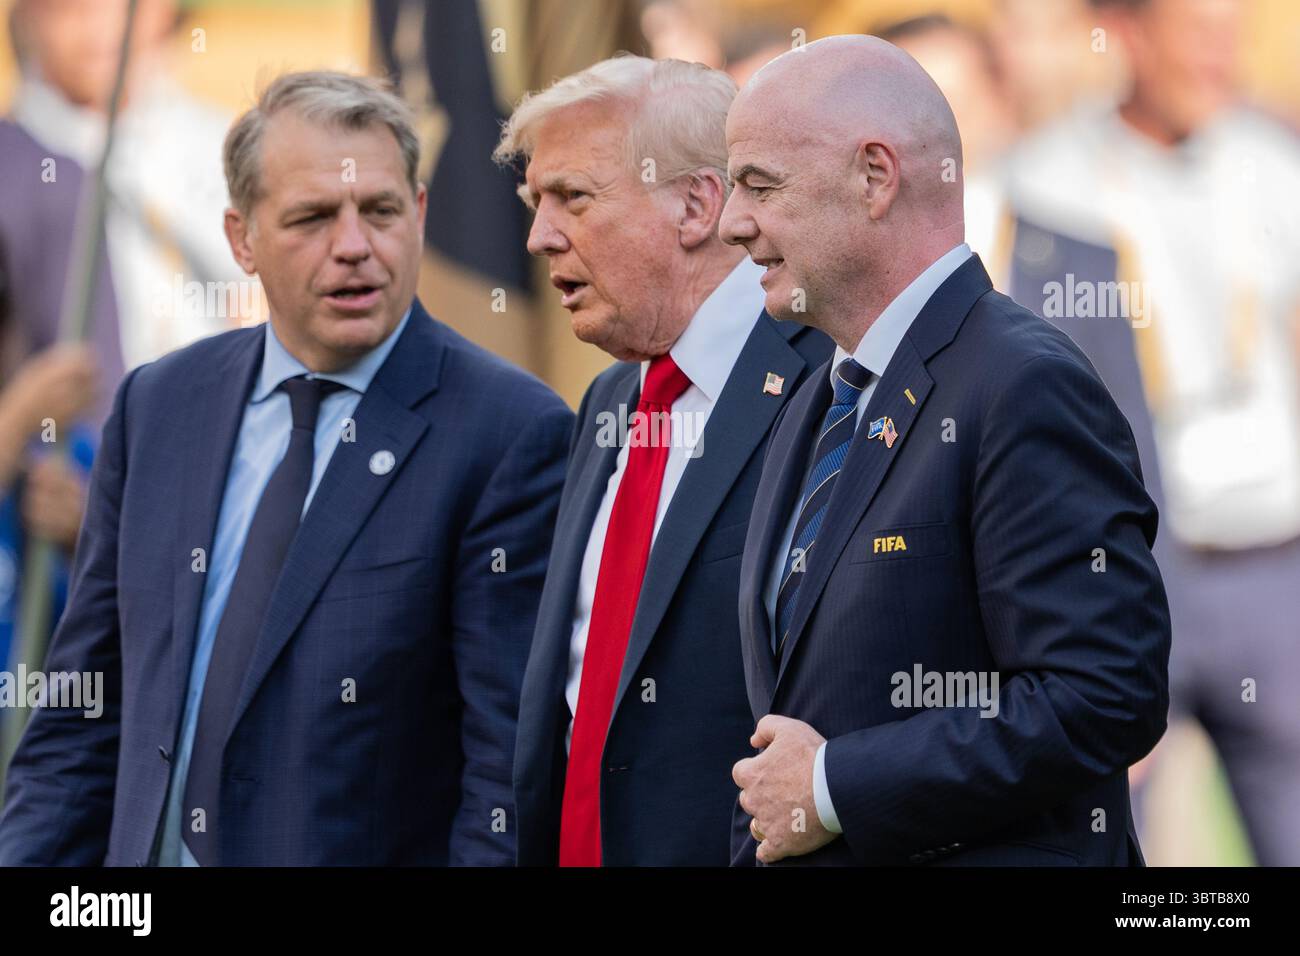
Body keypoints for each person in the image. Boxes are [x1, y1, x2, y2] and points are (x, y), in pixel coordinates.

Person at [0, 71, 572, 866]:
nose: (353, 246)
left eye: (380, 210)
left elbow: (507, 778)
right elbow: (84, 715)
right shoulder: (159, 406)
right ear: (242, 239)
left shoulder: (511, 433)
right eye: (312, 217)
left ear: (420, 213)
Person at [719, 35, 1170, 866]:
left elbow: (1104, 695)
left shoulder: (1021, 383)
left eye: (760, 185)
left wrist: (834, 786)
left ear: (875, 178)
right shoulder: (820, 392)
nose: (731, 221)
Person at [495, 55, 832, 866]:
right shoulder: (612, 401)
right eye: (535, 201)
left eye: (573, 197)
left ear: (696, 205)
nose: (540, 236)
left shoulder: (830, 384)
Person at [1001, 0, 1300, 865]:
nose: (1220, 58)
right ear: (1128, 35)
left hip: (1272, 567)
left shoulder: (1272, 162)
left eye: (1228, 34)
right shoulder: (1051, 181)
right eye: (1196, 36)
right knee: (1107, 842)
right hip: (1131, 570)